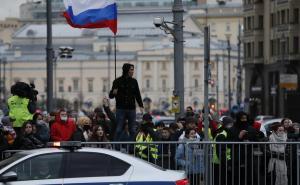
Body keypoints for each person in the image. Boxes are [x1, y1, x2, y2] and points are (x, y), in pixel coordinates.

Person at [109, 63, 144, 141]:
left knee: (132, 129)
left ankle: (132, 148)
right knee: (118, 129)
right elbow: (111, 96)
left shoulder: (134, 81)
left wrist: (141, 105)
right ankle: (116, 148)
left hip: (131, 108)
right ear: (127, 70)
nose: (133, 71)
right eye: (131, 70)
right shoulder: (117, 81)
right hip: (120, 108)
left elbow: (137, 94)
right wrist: (113, 92)